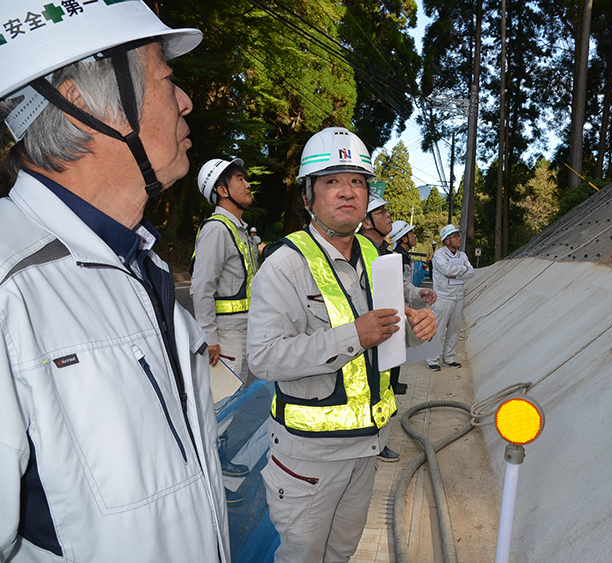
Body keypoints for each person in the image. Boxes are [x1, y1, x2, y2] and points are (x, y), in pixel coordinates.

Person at [0, 2, 229, 561]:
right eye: (167, 79)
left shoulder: (141, 263)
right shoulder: (12, 290)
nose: (186, 101)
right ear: (82, 104)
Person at [247, 126, 436, 562]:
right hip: (309, 457)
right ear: (307, 196)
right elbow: (264, 357)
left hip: (366, 446)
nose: (347, 191)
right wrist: (355, 335)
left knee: (342, 554)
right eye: (331, 181)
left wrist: (416, 326)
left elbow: (388, 331)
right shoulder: (285, 265)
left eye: (357, 181)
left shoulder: (375, 257)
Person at [192, 157, 259, 500]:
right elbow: (200, 287)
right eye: (239, 179)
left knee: (229, 404)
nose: (247, 184)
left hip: (242, 331)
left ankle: (219, 462)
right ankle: (210, 482)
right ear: (221, 190)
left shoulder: (238, 230)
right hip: (226, 335)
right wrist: (209, 337)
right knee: (221, 406)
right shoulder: (217, 229)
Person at [361, 199, 436, 401]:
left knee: (388, 378)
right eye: (380, 211)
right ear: (366, 222)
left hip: (390, 325)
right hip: (367, 336)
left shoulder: (386, 252)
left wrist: (418, 293)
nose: (388, 215)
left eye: (386, 210)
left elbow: (399, 285)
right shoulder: (355, 252)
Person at [426, 224, 475, 372]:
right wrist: (462, 270)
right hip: (443, 296)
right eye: (455, 236)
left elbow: (471, 272)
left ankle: (448, 358)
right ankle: (432, 359)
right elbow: (447, 270)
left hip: (458, 296)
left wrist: (457, 272)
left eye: (458, 235)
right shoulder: (439, 255)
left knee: (454, 330)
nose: (459, 238)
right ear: (447, 240)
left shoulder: (462, 255)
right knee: (438, 329)